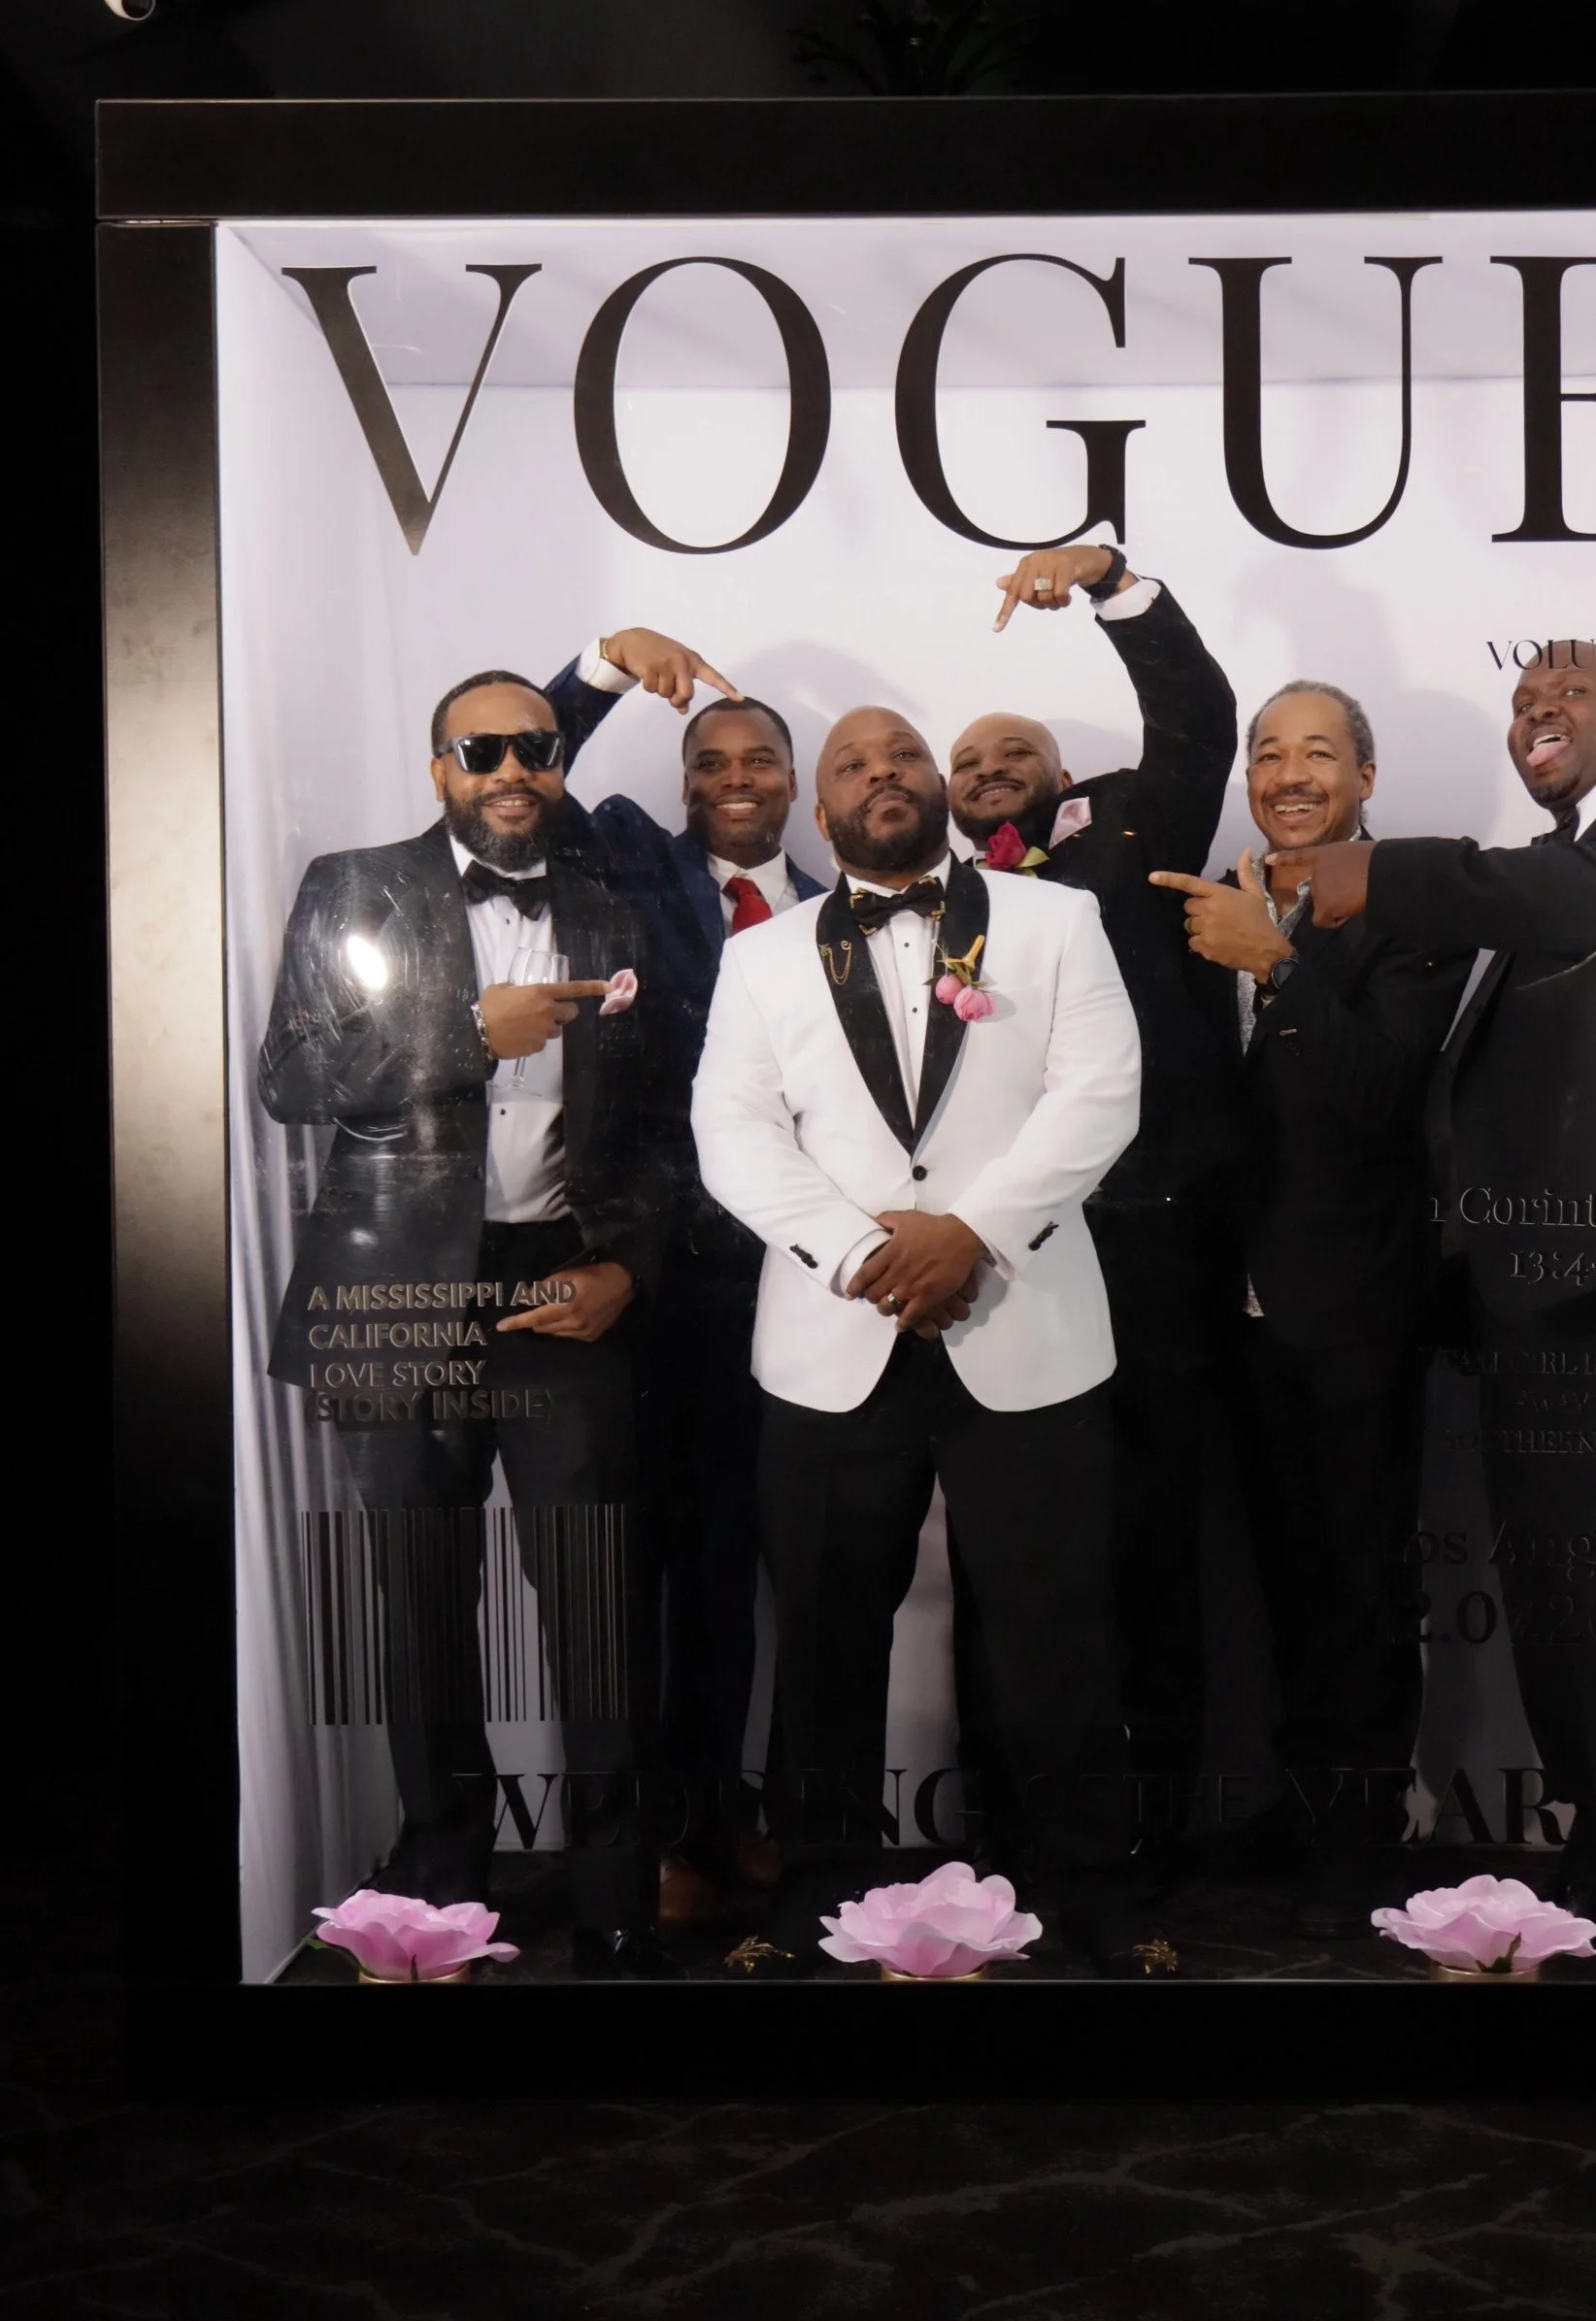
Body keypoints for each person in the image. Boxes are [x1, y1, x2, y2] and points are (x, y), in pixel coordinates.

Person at [1268, 640, 1596, 1977]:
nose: (1538, 710)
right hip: (1549, 1304)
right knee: (1566, 1629)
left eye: (1570, 692)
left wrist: (1390, 874)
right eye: (1522, 699)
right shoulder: (1556, 877)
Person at [691, 704, 1173, 1977]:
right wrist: (865, 1257)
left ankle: (1083, 1886)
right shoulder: (762, 957)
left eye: (902, 753)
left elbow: (1102, 1092)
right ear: (818, 803)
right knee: (827, 1639)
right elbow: (733, 1134)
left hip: (1024, 1319)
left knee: (1056, 1625)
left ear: (937, 782)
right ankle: (820, 1887)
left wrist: (970, 1233)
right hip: (829, 1340)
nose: (883, 774)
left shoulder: (1057, 921)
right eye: (852, 763)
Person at [258, 669, 685, 1976]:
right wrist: (463, 1032)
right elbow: (295, 1076)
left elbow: (672, 1112)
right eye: (481, 748)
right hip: (396, 1291)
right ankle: (445, 1879)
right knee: (418, 1602)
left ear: (559, 761)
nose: (511, 769)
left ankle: (615, 1892)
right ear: (440, 764)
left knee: (596, 1600)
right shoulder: (354, 884)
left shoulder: (618, 900)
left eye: (534, 748)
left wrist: (632, 1267)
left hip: (565, 1285)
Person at [1149, 684, 1473, 1932]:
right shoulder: (1199, 899)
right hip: (1205, 1317)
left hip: (1350, 1311)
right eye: (1268, 751)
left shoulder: (1411, 905)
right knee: (1240, 1583)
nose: (1289, 773)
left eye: (1319, 752)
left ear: (1368, 777)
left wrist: (1277, 963)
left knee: (1357, 1583)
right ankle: (1257, 1820)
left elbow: (1390, 1092)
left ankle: (1354, 1846)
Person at [945, 543, 1241, 1844]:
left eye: (1016, 753)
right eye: (969, 763)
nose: (991, 772)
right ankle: (1005, 1824)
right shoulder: (921, 896)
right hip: (998, 1258)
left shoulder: (1134, 822)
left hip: (1153, 1232)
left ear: (1062, 774)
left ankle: (1163, 1824)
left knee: (1159, 1527)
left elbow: (1199, 712)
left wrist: (1116, 580)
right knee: (1008, 1545)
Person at [543, 632, 826, 1925]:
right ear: (683, 781)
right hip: (666, 1278)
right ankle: (659, 1826)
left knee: (760, 1562)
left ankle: (725, 1810)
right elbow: (525, 781)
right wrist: (597, 672)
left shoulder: (848, 899)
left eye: (758, 757)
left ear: (793, 779)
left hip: (813, 1280)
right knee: (661, 1564)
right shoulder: (628, 861)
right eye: (709, 761)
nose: (733, 776)